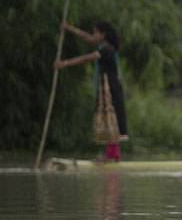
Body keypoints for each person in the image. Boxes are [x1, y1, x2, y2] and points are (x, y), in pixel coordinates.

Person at [54, 21, 128, 162]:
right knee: (107, 118)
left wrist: (64, 63)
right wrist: (69, 28)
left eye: (96, 32)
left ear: (103, 35)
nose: (93, 36)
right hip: (105, 88)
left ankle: (112, 155)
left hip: (110, 88)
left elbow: (87, 58)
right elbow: (88, 38)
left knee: (110, 118)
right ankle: (113, 154)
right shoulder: (104, 46)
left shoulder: (107, 49)